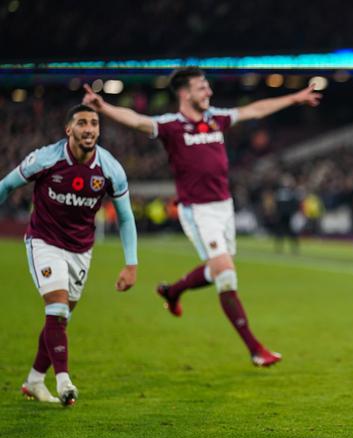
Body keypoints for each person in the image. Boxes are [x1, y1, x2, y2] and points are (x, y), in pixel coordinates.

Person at [83, 67, 321, 367]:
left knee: (217, 268)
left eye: (207, 87)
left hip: (225, 207)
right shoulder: (171, 125)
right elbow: (138, 121)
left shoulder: (216, 119)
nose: (208, 92)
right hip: (197, 209)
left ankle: (173, 291)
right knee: (225, 272)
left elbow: (254, 110)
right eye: (201, 87)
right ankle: (255, 349)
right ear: (184, 93)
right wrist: (104, 107)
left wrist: (296, 97)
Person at [0, 104, 138, 406]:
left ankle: (34, 381)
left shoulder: (110, 168)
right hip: (44, 242)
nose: (89, 128)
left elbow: (126, 218)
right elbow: (7, 185)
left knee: (59, 321)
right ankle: (64, 382)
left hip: (81, 250)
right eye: (82, 123)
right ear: (69, 130)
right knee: (58, 311)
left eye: (94, 123)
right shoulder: (46, 158)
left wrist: (131, 264)